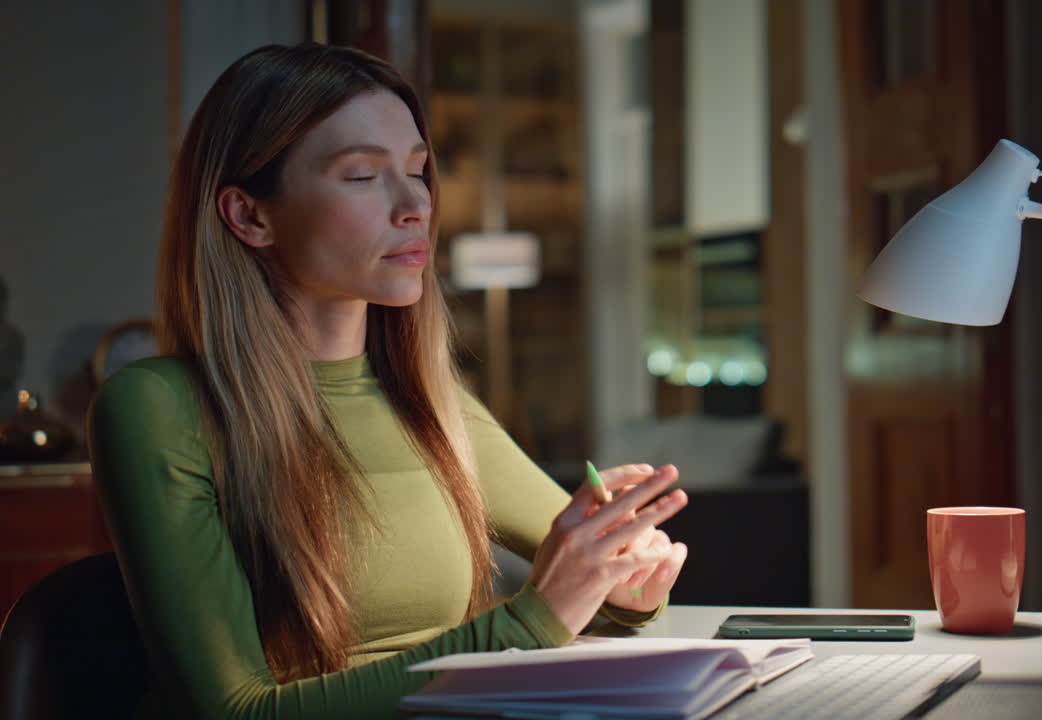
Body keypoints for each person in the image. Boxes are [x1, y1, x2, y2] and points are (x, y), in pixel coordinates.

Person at [87, 42, 689, 719]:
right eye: (362, 176)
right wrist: (533, 620)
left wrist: (626, 579)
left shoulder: (432, 406)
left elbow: (584, 583)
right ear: (249, 215)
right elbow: (233, 712)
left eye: (418, 171)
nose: (417, 206)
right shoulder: (157, 409)